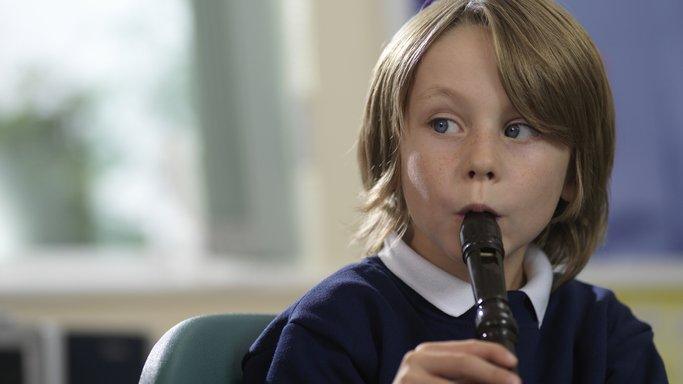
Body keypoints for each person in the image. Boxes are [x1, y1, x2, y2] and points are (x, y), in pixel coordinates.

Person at [241, 0, 669, 382]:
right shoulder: (330, 329)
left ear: (574, 175)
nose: (480, 161)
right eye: (443, 124)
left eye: (518, 130)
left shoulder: (611, 339)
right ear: (393, 151)